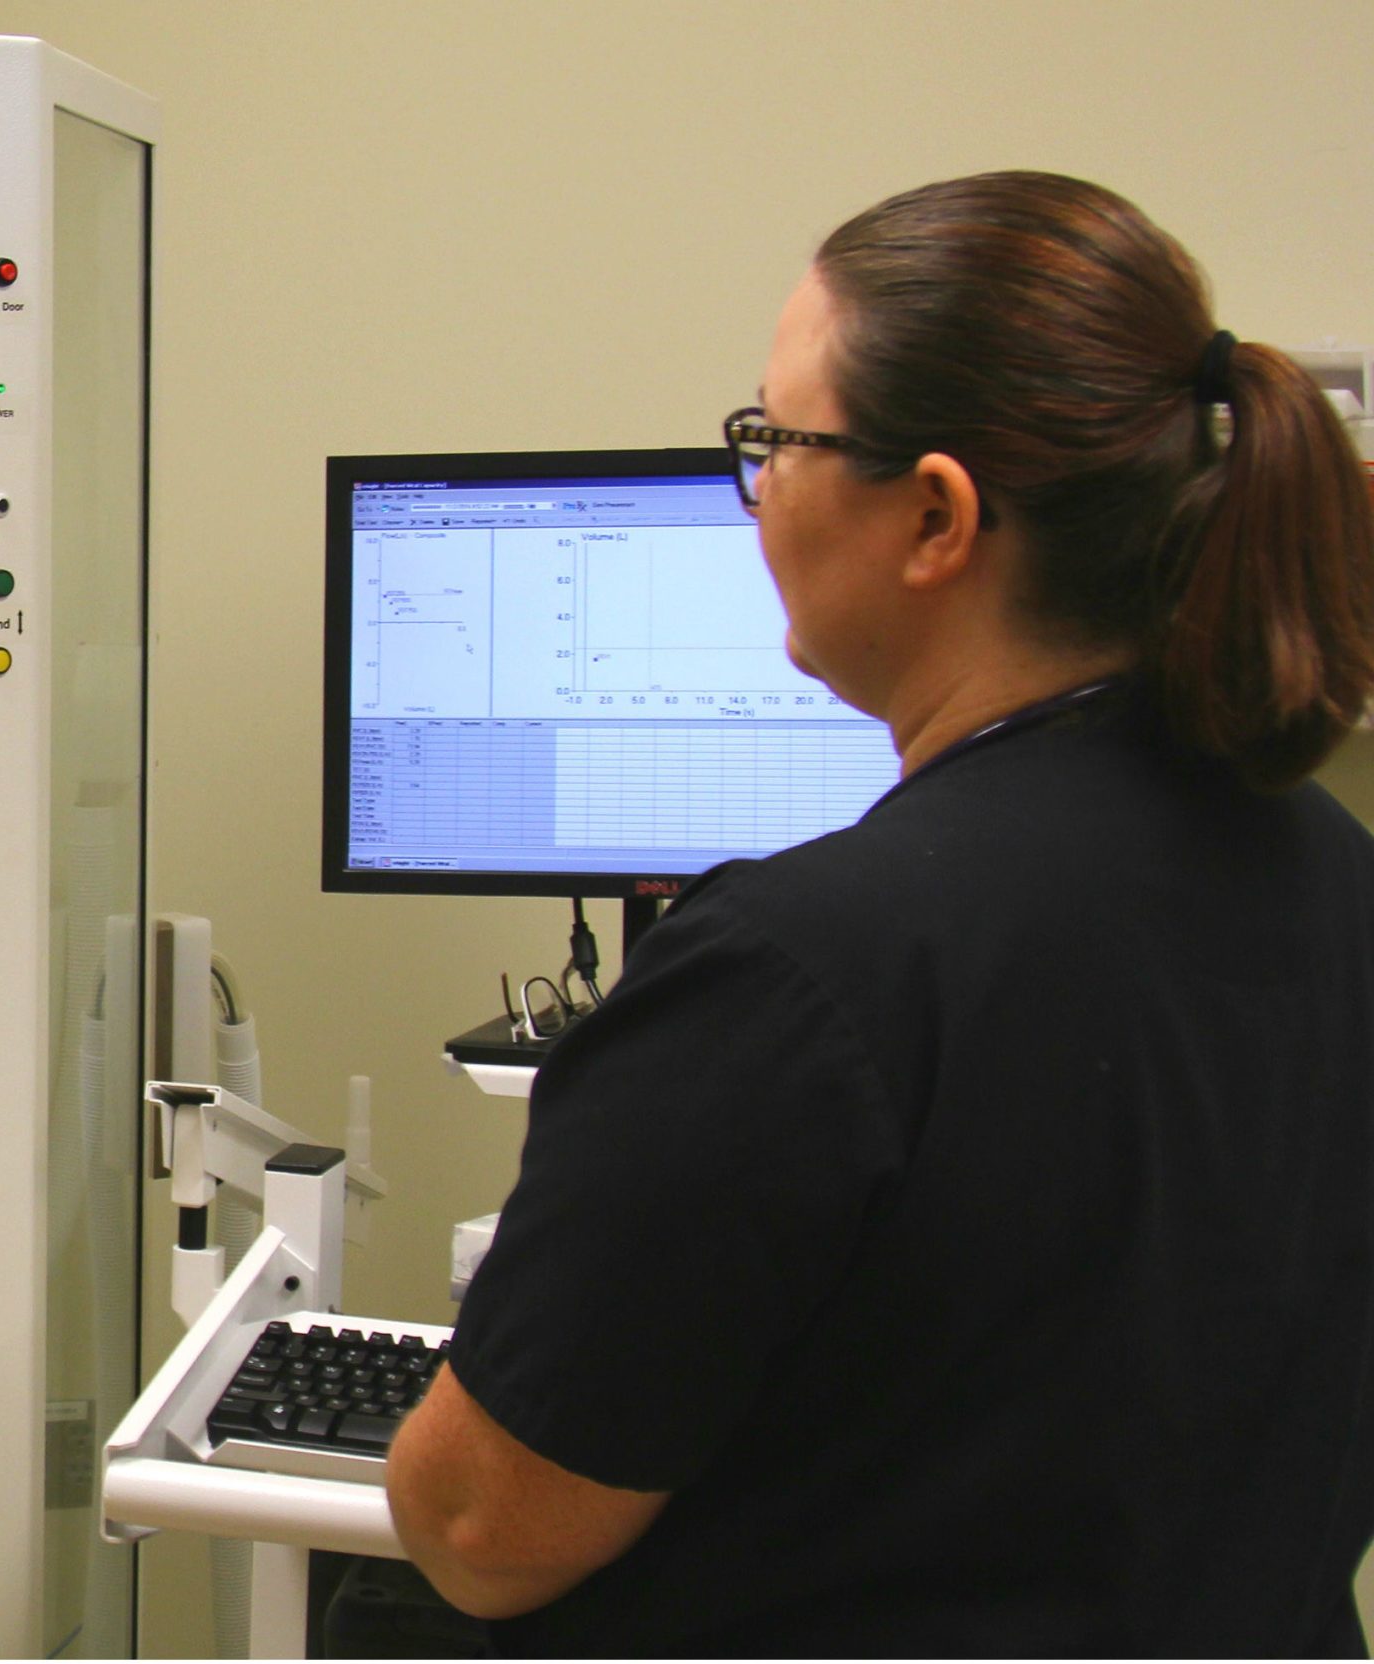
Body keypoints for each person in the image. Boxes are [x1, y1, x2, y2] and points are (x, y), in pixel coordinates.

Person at [387, 171, 1374, 1653]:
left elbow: (478, 1529)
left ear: (935, 516)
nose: (761, 487)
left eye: (776, 442)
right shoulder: (1334, 876)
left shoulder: (799, 977)